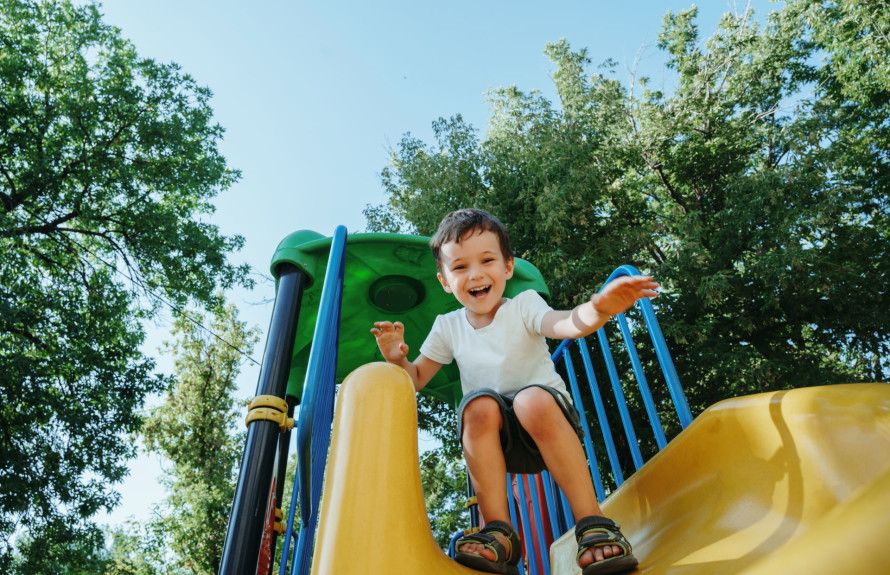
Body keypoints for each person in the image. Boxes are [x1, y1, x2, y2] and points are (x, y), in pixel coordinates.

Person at [370, 208, 657, 575]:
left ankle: (593, 522)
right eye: (459, 268)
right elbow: (415, 379)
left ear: (507, 267)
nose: (474, 274)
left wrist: (598, 308)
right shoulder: (447, 327)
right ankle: (500, 533)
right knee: (477, 406)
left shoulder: (525, 305)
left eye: (486, 260)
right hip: (499, 442)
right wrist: (397, 361)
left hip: (547, 424)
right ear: (444, 280)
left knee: (530, 398)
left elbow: (565, 324)